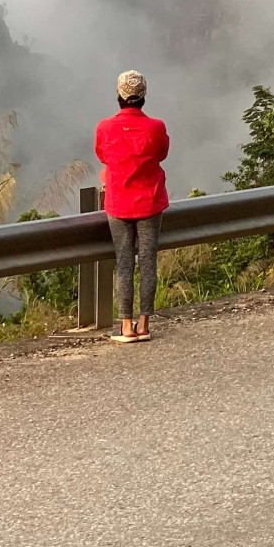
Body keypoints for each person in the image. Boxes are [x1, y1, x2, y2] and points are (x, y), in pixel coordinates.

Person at [93, 69, 170, 342]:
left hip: (118, 203)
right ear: (143, 97)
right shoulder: (156, 127)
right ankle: (144, 324)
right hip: (150, 200)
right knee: (148, 262)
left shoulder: (105, 127)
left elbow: (103, 155)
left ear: (119, 96)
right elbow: (162, 153)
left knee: (124, 264)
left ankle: (126, 327)